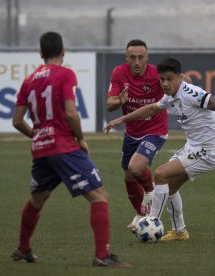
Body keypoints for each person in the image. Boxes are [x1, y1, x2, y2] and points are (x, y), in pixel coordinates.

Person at [11, 31, 130, 268]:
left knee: (37, 199)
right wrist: (80, 138)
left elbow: (17, 121)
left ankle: (23, 248)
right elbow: (70, 111)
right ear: (63, 52)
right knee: (99, 196)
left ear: (41, 53)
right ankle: (101, 255)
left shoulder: (29, 80)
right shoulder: (65, 74)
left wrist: (37, 135)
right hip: (64, 145)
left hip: (42, 149)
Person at [104, 57, 215, 241]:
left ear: (180, 77)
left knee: (160, 174)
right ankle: (179, 231)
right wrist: (122, 119)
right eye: (162, 79)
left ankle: (150, 222)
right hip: (192, 147)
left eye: (170, 79)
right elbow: (152, 108)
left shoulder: (191, 93)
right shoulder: (169, 96)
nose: (165, 83)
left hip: (208, 150)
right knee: (169, 187)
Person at [106, 39, 168, 230]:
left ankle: (150, 190)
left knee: (135, 168)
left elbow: (178, 84)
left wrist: (184, 82)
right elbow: (110, 105)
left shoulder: (157, 73)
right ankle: (141, 214)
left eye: (141, 57)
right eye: (132, 57)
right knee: (128, 175)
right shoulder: (119, 72)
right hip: (132, 132)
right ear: (127, 57)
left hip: (155, 130)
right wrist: (119, 101)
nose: (136, 62)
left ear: (147, 57)